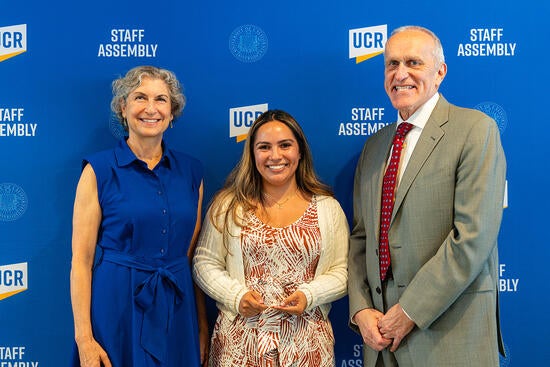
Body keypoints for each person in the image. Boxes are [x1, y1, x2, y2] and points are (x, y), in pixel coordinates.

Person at [348, 26, 506, 367]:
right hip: (380, 343)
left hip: (448, 338)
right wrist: (361, 309)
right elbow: (361, 237)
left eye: (413, 62)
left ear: (440, 72)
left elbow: (472, 238)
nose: (400, 74)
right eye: (391, 64)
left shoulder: (475, 130)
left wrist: (409, 311)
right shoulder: (375, 146)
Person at [70, 65, 208, 367]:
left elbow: (190, 258)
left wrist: (201, 325)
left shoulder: (192, 172)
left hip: (177, 306)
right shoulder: (98, 170)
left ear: (172, 112)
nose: (150, 108)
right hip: (115, 306)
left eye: (161, 99)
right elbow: (81, 261)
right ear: (123, 107)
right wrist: (84, 339)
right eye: (140, 97)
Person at [193, 109, 348, 367]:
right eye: (264, 147)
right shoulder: (227, 205)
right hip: (238, 346)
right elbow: (203, 262)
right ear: (253, 155)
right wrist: (235, 296)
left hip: (307, 346)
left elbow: (342, 271)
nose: (275, 156)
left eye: (285, 145)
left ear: (300, 151)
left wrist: (310, 295)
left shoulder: (327, 208)